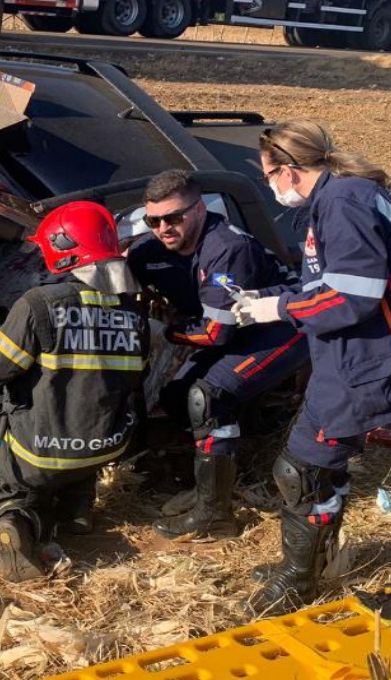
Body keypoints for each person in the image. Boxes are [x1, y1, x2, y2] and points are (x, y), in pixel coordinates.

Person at [233, 121, 391, 613]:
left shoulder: (342, 203)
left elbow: (354, 297)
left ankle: (299, 582)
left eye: (268, 175)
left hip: (368, 359)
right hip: (355, 356)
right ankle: (320, 563)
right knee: (322, 465)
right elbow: (330, 281)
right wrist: (277, 296)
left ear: (289, 171)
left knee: (301, 468)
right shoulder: (347, 196)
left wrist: (280, 311)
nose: (269, 185)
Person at [0, 201, 149, 582]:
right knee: (79, 436)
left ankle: (17, 521)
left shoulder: (38, 305)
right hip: (107, 446)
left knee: (21, 485)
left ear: (59, 249)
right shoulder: (133, 312)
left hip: (42, 452)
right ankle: (76, 510)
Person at [127, 169, 309, 538]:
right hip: (229, 327)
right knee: (178, 398)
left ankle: (215, 514)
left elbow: (215, 333)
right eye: (154, 220)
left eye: (174, 217)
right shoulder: (148, 251)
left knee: (207, 397)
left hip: (282, 327)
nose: (164, 227)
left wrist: (163, 331)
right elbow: (124, 277)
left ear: (198, 210)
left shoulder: (227, 248)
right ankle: (215, 480)